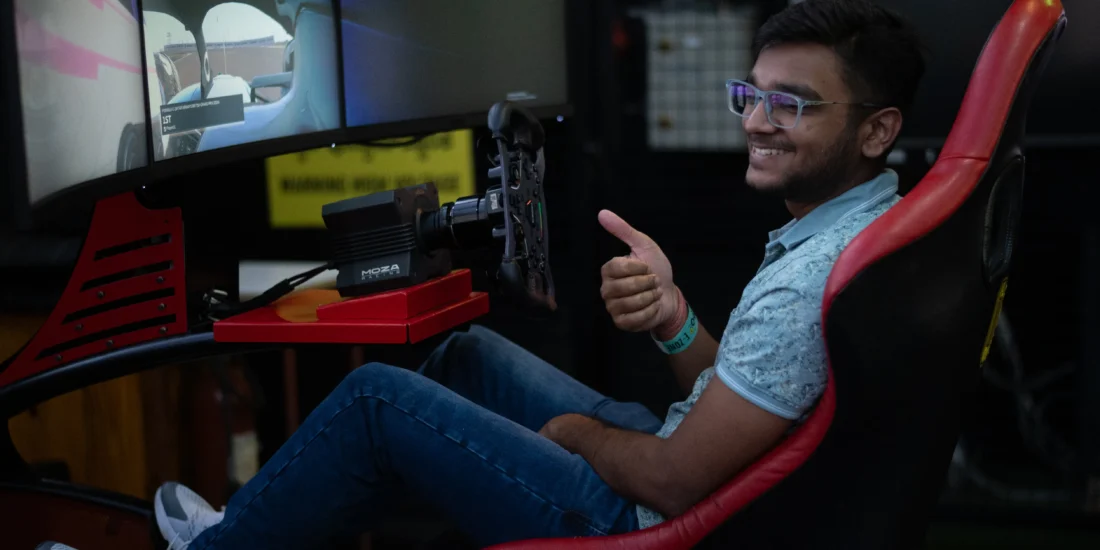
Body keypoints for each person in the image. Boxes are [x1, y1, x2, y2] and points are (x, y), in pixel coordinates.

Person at [147, 0, 926, 548]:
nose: (756, 121)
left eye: (791, 105)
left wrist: (577, 437)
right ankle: (260, 530)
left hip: (646, 525)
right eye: (750, 95)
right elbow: (755, 398)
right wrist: (671, 315)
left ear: (877, 130)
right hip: (709, 474)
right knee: (469, 356)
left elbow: (673, 483)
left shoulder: (810, 276)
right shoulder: (868, 226)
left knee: (375, 400)